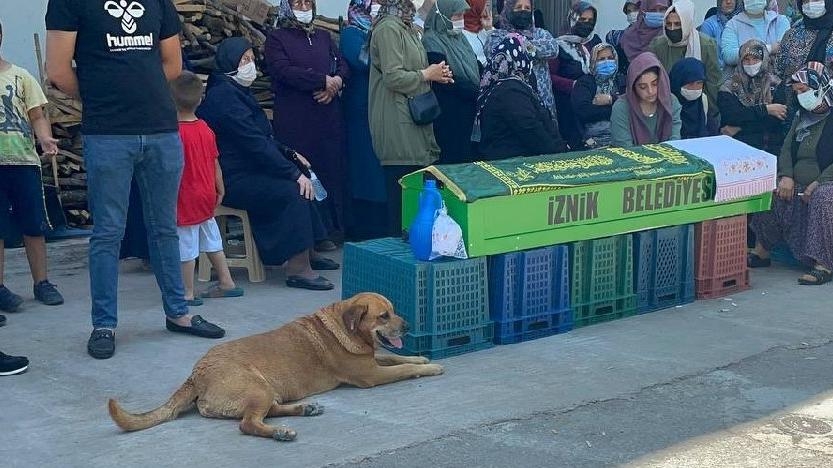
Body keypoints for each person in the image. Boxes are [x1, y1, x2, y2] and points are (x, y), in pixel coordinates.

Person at [46, 0, 225, 360]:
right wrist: (103, 96)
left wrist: (142, 96)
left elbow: (172, 63)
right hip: (108, 133)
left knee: (165, 227)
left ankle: (178, 312)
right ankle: (104, 324)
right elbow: (58, 70)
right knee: (108, 232)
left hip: (160, 130)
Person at [198, 38, 339, 291]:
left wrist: (290, 154)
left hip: (250, 167)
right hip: (232, 178)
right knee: (293, 188)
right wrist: (291, 172)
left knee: (306, 173)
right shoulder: (223, 98)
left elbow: (263, 138)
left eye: (252, 59)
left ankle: (308, 249)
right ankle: (297, 268)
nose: (250, 65)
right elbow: (252, 143)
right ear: (229, 62)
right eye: (244, 60)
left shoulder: (236, 91)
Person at [265, 0, 350, 251]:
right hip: (296, 121)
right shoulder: (276, 38)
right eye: (297, 3)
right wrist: (320, 80)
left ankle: (334, 229)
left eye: (307, 3)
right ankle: (312, 237)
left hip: (328, 118)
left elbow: (342, 64)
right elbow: (283, 70)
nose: (303, 8)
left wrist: (334, 83)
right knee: (304, 175)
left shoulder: (323, 36)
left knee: (332, 171)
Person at [748, 61, 833, 286]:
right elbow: (786, 148)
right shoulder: (801, 116)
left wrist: (818, 182)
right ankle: (762, 250)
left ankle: (822, 264)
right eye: (797, 92)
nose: (800, 97)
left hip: (827, 182)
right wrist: (786, 174)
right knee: (770, 187)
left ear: (821, 87)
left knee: (824, 198)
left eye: (804, 91)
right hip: (799, 180)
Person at [369, 0, 449, 237]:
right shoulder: (388, 29)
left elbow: (414, 68)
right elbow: (393, 76)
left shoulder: (407, 27)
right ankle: (397, 266)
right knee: (401, 200)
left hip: (414, 119)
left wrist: (437, 74)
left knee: (416, 197)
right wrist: (427, 74)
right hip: (396, 120)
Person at [0, 20, 64, 314]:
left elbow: (37, 115)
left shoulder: (21, 77)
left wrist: (44, 137)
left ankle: (42, 282)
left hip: (24, 161)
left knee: (33, 225)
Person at [170, 72, 244, 306]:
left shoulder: (174, 134)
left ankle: (187, 292)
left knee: (186, 245)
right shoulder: (205, 129)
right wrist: (219, 188)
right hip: (206, 193)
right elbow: (215, 162)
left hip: (185, 195)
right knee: (211, 239)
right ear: (200, 99)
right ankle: (227, 281)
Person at [341, 0, 388, 240]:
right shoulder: (351, 33)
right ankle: (364, 228)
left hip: (381, 107)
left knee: (379, 166)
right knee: (365, 168)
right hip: (361, 109)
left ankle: (381, 224)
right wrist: (390, 58)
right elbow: (364, 61)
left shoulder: (385, 31)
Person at [475, 35, 566, 159]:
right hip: (513, 161)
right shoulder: (510, 90)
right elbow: (529, 128)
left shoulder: (508, 85)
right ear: (519, 56)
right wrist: (557, 152)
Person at [423, 0, 481, 164]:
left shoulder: (460, 39)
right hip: (448, 112)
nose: (460, 19)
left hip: (469, 109)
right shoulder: (431, 41)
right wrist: (474, 92)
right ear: (443, 15)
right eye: (456, 15)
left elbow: (474, 65)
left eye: (462, 15)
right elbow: (445, 77)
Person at [650, 0, 722, 130]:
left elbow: (713, 83)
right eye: (669, 24)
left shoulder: (706, 44)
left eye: (677, 24)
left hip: (700, 110)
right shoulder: (658, 45)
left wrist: (709, 112)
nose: (672, 29)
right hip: (668, 109)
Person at [486, 0, 561, 121]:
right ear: (509, 10)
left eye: (527, 8)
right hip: (512, 101)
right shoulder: (496, 35)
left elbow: (553, 49)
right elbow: (495, 53)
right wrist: (532, 49)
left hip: (543, 99)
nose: (523, 11)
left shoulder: (541, 33)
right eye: (518, 7)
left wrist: (516, 43)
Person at [718, 39, 788, 154]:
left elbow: (775, 121)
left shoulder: (776, 84)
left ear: (764, 59)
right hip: (735, 148)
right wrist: (766, 110)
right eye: (746, 59)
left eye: (755, 59)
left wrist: (739, 128)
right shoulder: (729, 86)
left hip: (769, 148)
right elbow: (731, 116)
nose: (751, 64)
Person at [550, 1, 602, 150]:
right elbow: (550, 77)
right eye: (582, 20)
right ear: (572, 19)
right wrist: (573, 86)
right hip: (568, 106)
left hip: (593, 103)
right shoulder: (558, 45)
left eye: (590, 21)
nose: (586, 24)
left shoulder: (595, 41)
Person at [610, 52, 682, 147]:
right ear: (633, 87)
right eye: (643, 87)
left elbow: (674, 142)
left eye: (655, 84)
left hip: (668, 158)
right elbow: (625, 148)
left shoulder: (671, 101)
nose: (651, 91)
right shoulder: (621, 107)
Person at [571, 43, 625, 148]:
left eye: (610, 58)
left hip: (622, 136)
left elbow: (632, 106)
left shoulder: (622, 81)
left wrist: (610, 100)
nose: (606, 62)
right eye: (601, 59)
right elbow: (584, 112)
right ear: (593, 61)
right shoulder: (584, 83)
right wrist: (616, 108)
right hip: (592, 139)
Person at [721, 0, 791, 71]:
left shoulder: (781, 21)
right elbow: (728, 55)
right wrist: (770, 48)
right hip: (744, 79)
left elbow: (785, 50)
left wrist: (745, 52)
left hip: (778, 78)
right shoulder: (732, 25)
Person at [776, 0, 833, 81]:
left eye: (816, 0)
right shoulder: (792, 35)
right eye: (805, 1)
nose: (810, 4)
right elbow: (779, 71)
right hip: (795, 91)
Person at [619, 0, 669, 67]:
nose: (657, 13)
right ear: (643, 11)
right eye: (653, 9)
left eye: (662, 9)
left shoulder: (672, 34)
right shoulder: (629, 36)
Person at [669, 57, 709, 139]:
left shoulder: (703, 100)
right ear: (678, 82)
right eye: (690, 83)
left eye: (699, 83)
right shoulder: (668, 103)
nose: (695, 88)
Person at [700, 0, 744, 73]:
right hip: (719, 75)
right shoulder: (709, 25)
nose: (728, 1)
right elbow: (707, 59)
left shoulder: (744, 22)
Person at [462, 0, 494, 66]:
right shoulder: (461, 34)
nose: (486, 7)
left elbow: (499, 49)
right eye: (484, 4)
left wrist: (489, 29)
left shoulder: (485, 26)